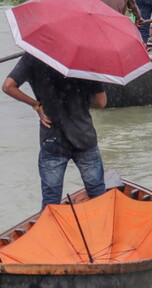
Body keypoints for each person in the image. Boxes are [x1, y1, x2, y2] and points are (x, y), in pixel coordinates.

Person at [3, 54, 108, 211]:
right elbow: (101, 102)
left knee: (51, 203)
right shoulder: (87, 58)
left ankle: (49, 233)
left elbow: (8, 86)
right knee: (98, 194)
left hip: (52, 138)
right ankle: (102, 229)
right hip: (83, 135)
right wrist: (80, 97)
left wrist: (37, 105)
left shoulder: (33, 57)